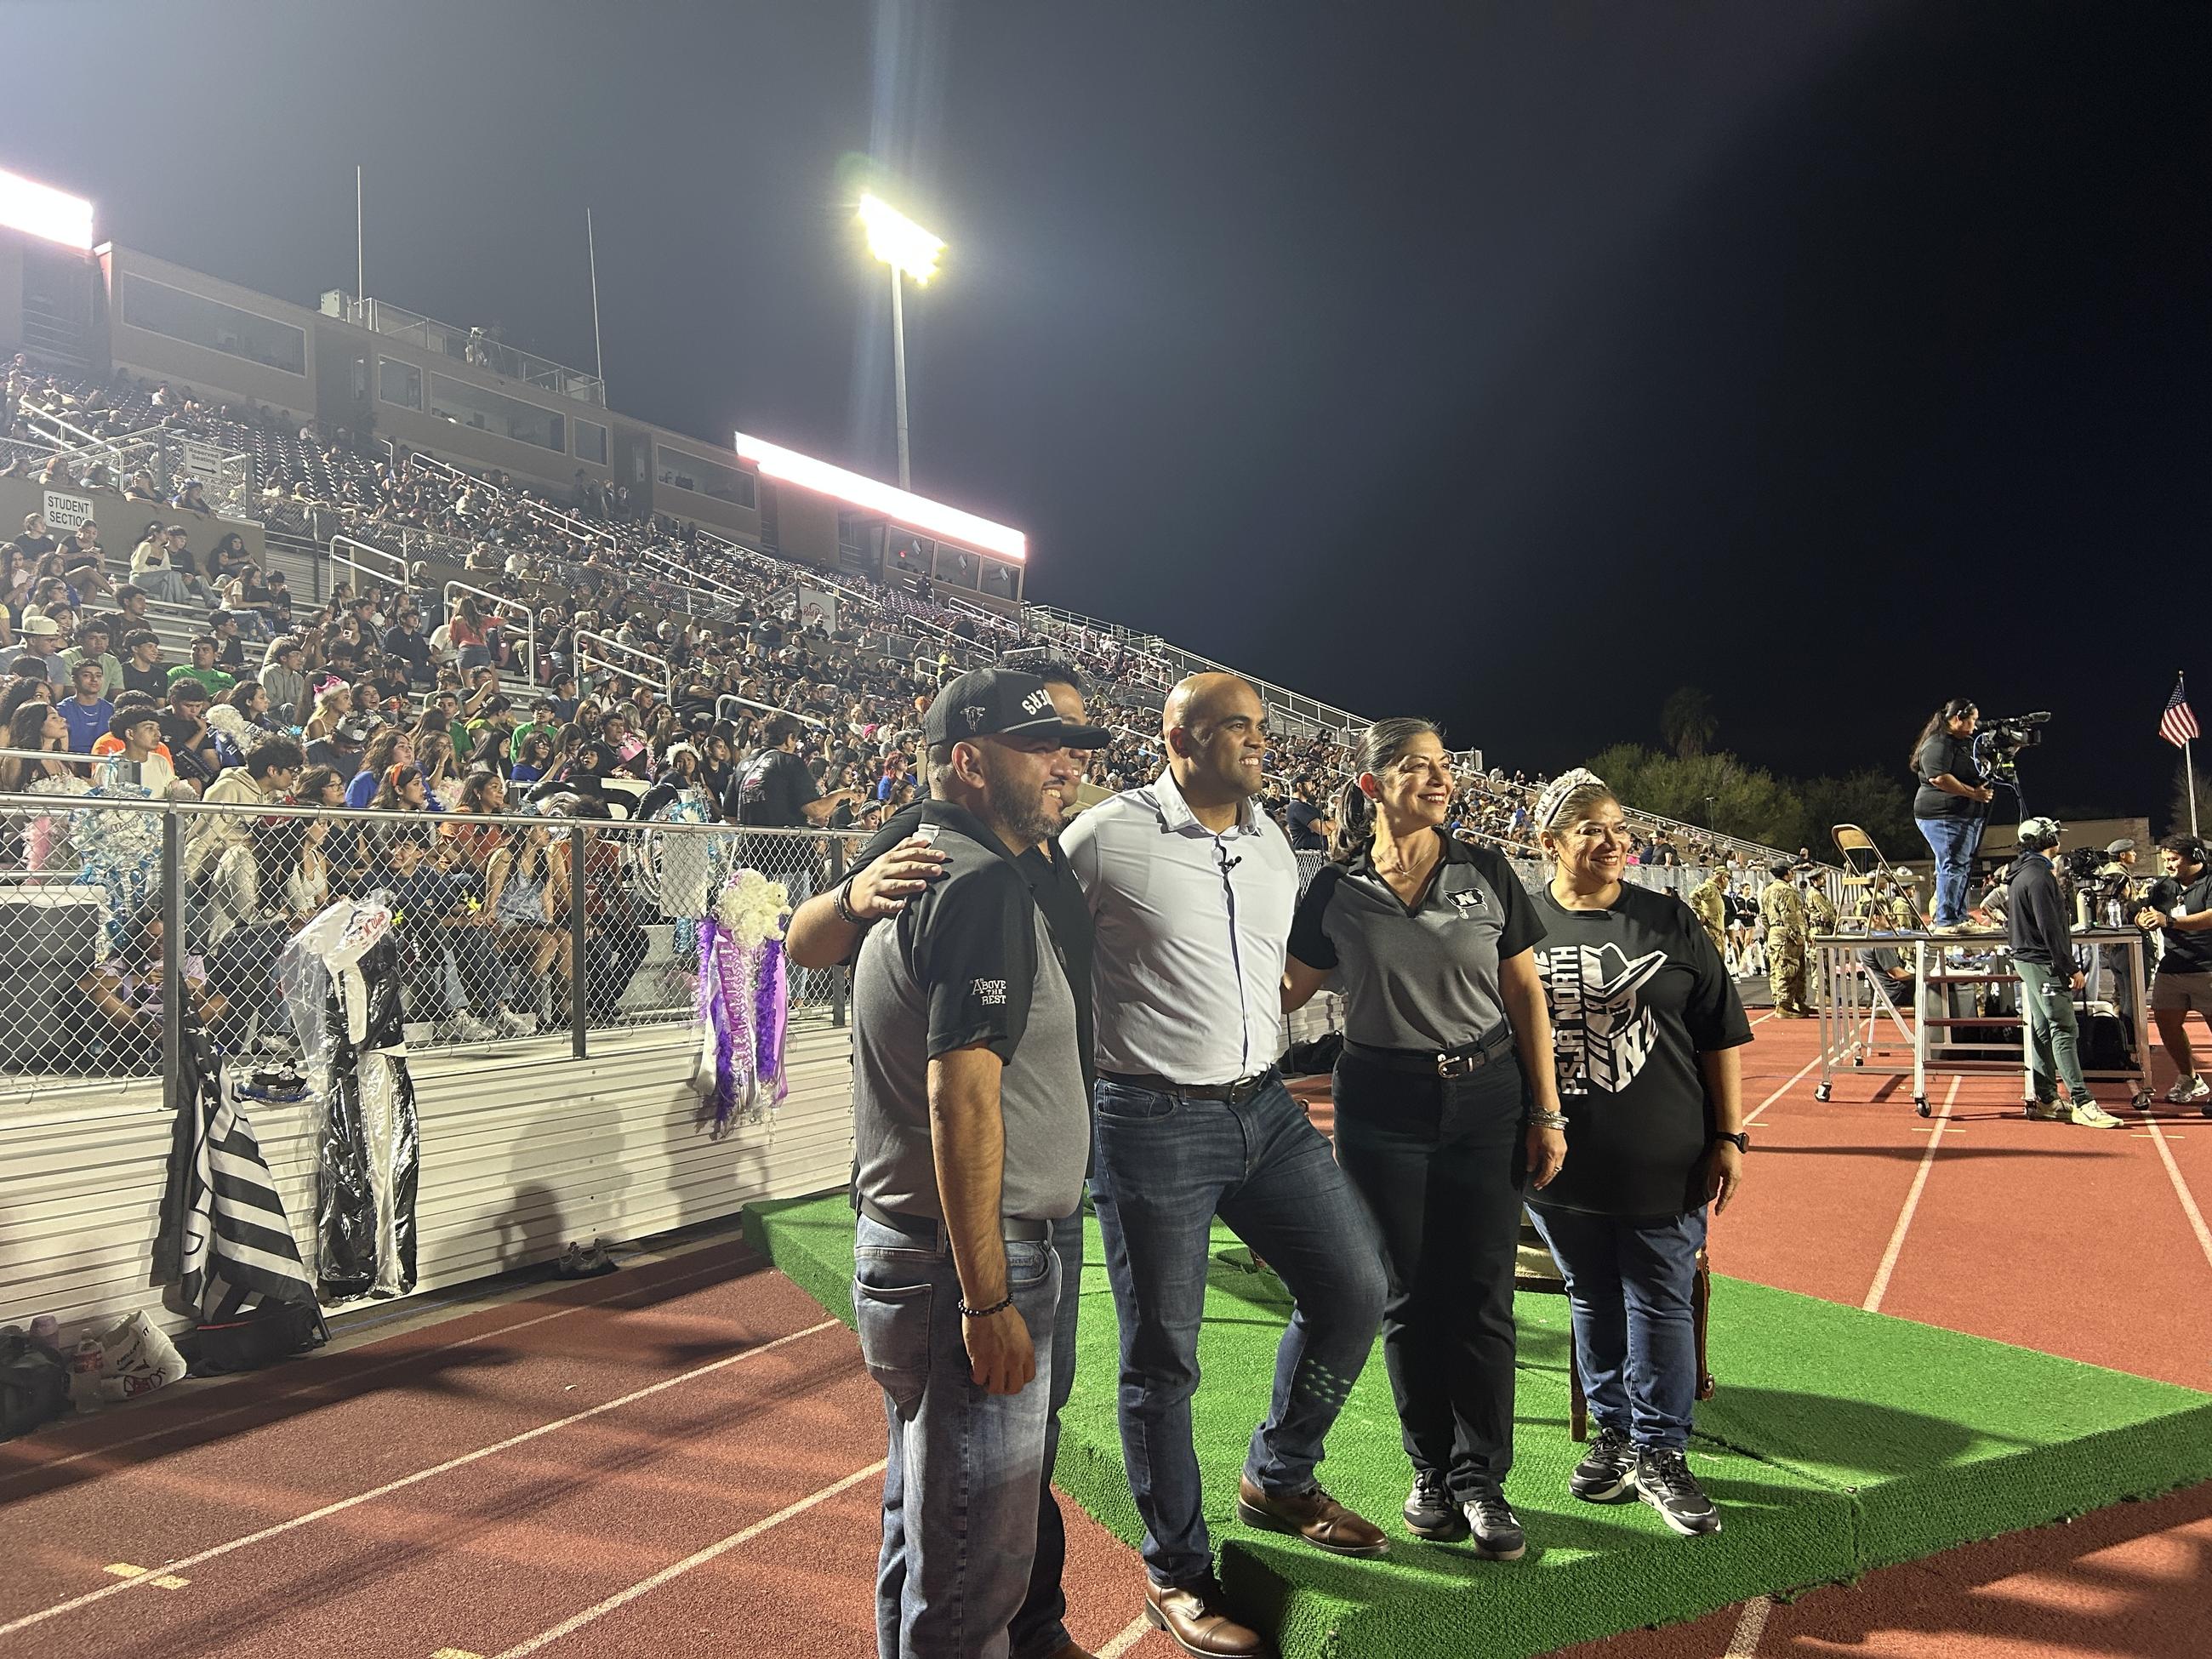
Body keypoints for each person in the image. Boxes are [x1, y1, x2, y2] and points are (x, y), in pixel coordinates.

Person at [1061, 673, 1388, 1655]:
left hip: (1265, 1107)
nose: (1257, 743)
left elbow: (1266, 973)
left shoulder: (1268, 837)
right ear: (1179, 737)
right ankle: (1175, 1572)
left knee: (1355, 1288)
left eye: (1260, 728)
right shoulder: (1104, 837)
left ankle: (1278, 1475)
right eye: (1236, 727)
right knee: (1161, 1359)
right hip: (1150, 1120)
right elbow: (1042, 965)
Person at [789, 659, 1097, 1659]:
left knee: (930, 1521)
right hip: (967, 1249)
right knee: (968, 1571)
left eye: (1072, 746)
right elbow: (959, 1098)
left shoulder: (973, 851)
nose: (1068, 765)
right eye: (1041, 746)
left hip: (930, 1240)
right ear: (968, 761)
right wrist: (986, 1295)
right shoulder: (968, 874)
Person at [1280, 720, 1565, 1557]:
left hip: (1486, 1099)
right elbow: (1285, 989)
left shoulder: (1486, 870)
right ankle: (1431, 1469)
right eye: (1417, 767)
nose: (1440, 780)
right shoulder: (1335, 888)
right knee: (1403, 1293)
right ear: (1372, 785)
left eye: (1443, 767)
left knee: (1479, 1292)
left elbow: (1525, 995)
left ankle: (1482, 1477)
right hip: (1380, 1103)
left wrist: (1546, 1112)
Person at [1524, 770, 1752, 1539]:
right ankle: (1615, 1433)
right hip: (1558, 1161)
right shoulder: (1518, 924)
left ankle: (1662, 1450)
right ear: (1550, 841)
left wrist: (1730, 1136)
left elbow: (1720, 1033)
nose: (1613, 841)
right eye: (1591, 827)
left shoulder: (1669, 920)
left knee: (1658, 1297)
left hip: (1664, 1152)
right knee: (1590, 1293)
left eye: (1620, 828)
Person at [2006, 818, 2118, 1127]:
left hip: (2029, 959)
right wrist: (2069, 966)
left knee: (2043, 1029)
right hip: (2043, 961)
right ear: (2048, 838)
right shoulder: (2039, 876)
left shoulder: (2022, 872)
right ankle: (2083, 1101)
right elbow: (2050, 927)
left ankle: (2047, 1098)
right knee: (2064, 1028)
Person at [2136, 835, 2212, 1109]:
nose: (2168, 865)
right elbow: (2145, 912)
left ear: (2195, 857)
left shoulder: (2210, 882)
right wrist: (2143, 919)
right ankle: (2189, 1077)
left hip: (2207, 966)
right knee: (2166, 1024)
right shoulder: (2163, 886)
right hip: (2172, 965)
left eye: (2174, 859)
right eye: (2165, 859)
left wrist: (2170, 921)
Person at [1909, 698, 1994, 933]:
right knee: (1953, 863)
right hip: (1942, 815)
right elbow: (1939, 778)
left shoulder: (1962, 743)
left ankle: (1958, 917)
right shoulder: (1938, 743)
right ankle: (1948, 921)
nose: (1975, 726)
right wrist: (1973, 793)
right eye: (1972, 720)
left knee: (1960, 865)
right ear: (1958, 718)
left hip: (1961, 814)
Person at [1758, 859, 1810, 1018]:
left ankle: (1792, 1003)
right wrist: (1796, 936)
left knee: (1778, 970)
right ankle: (1785, 1006)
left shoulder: (1767, 890)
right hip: (1787, 936)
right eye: (1791, 870)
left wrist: (1774, 931)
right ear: (1786, 872)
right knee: (1789, 970)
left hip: (1775, 933)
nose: (1793, 873)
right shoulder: (1786, 890)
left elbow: (1763, 916)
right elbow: (1789, 915)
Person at [1686, 866, 1729, 961]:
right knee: (1712, 960)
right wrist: (1700, 914)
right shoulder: (1710, 888)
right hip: (1712, 931)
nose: (1728, 881)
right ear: (1723, 878)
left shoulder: (1715, 889)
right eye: (1727, 878)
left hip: (1718, 932)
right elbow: (1693, 896)